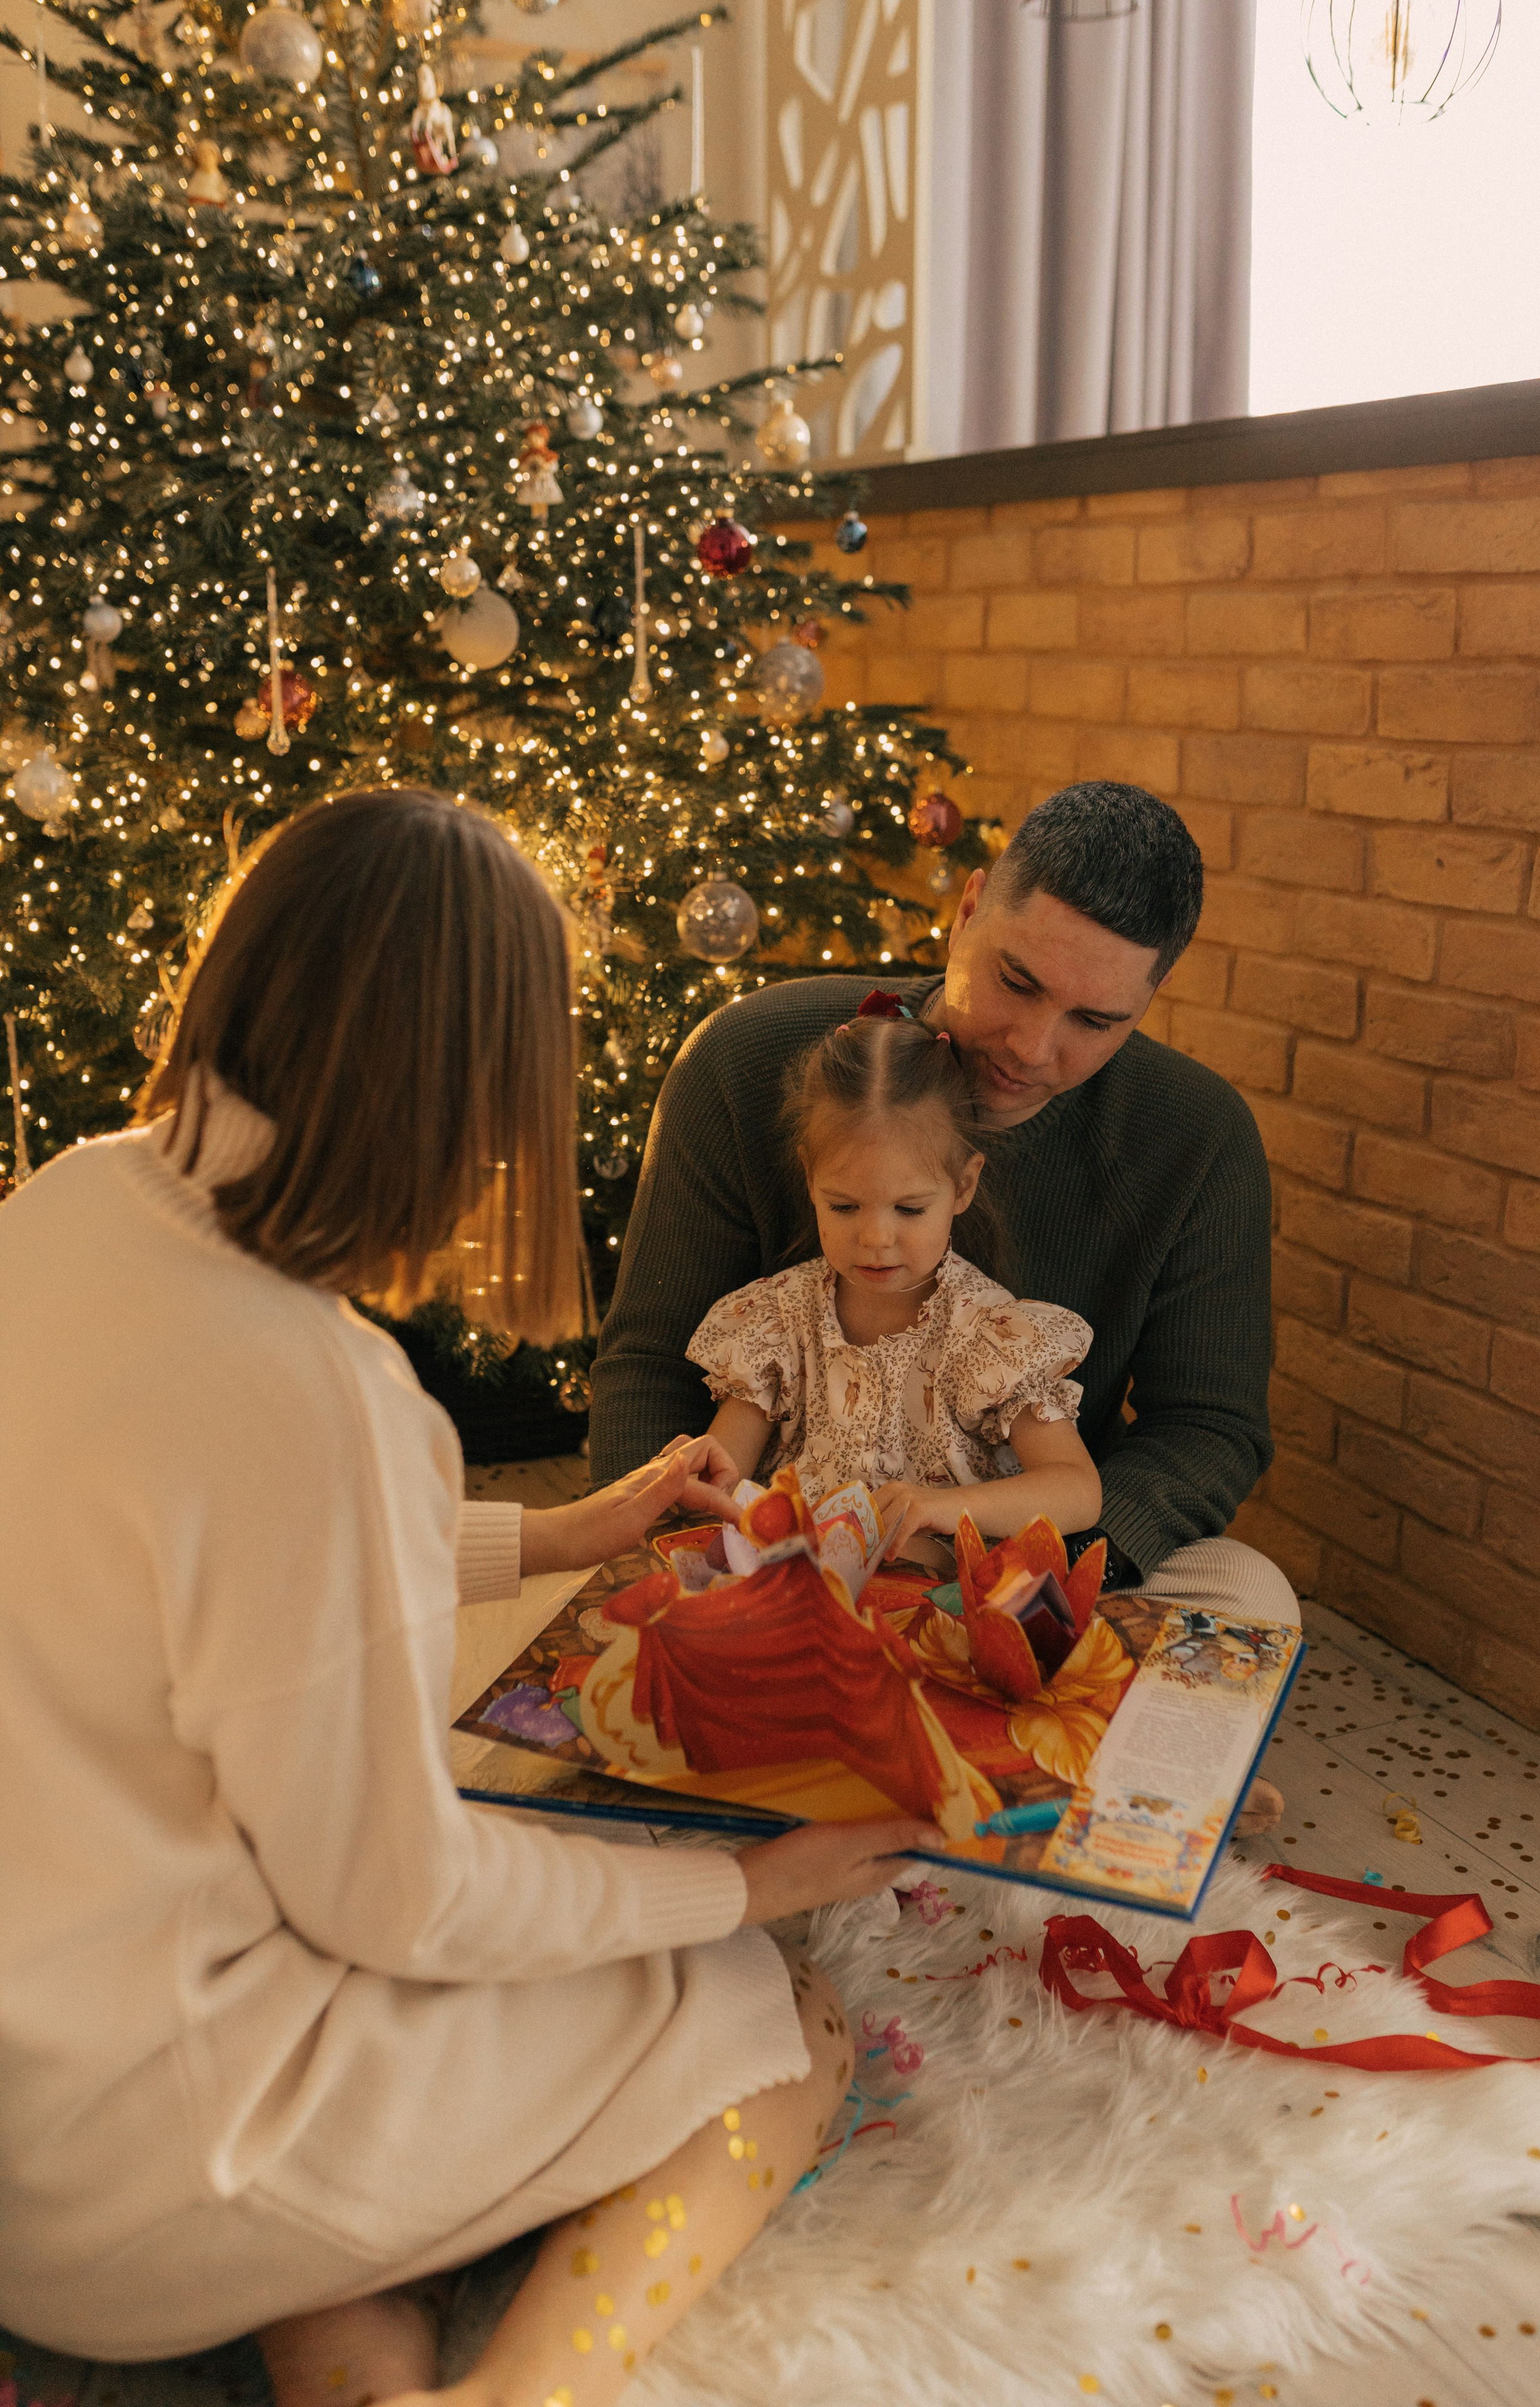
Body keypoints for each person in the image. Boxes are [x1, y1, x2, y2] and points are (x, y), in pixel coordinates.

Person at [0, 787, 940, 2407]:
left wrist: (564, 1538)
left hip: (33, 2092)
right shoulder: (314, 1388)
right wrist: (750, 1892)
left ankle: (362, 2373)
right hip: (147, 2149)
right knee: (773, 2025)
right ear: (465, 1084)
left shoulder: (71, 1201)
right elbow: (401, 1900)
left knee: (501, 2008)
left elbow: (203, 1555)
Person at [592, 779, 1299, 1640]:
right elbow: (647, 1368)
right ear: (970, 908)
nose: (1032, 1049)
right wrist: (697, 1558)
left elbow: (1207, 1428)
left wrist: (1037, 1584)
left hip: (1036, 1546)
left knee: (1248, 1593)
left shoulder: (1199, 1134)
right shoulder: (746, 1059)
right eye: (1017, 981)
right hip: (775, 1550)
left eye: (1095, 1020)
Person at [688, 994, 1103, 1562]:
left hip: (938, 1605)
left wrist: (940, 1508)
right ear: (810, 1179)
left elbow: (1077, 1490)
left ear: (963, 1187)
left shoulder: (995, 1338)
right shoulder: (777, 1321)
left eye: (909, 1210)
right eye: (843, 1207)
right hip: (793, 1593)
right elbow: (722, 1473)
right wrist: (697, 1474)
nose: (876, 1239)